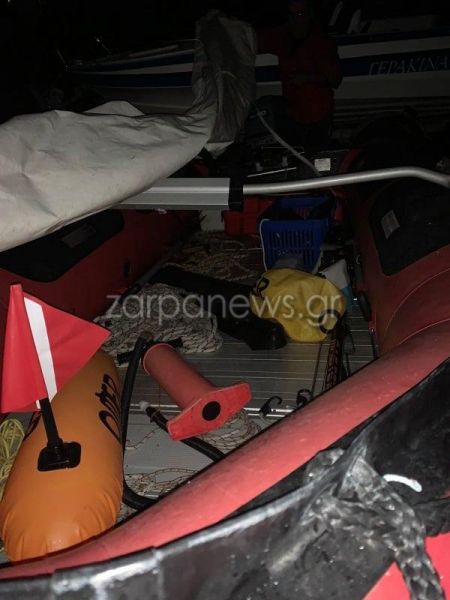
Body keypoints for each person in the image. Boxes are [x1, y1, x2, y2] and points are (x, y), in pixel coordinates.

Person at [256, 0, 342, 153]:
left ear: (310, 15)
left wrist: (306, 78)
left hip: (318, 115)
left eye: (300, 14)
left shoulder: (321, 42)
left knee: (317, 156)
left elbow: (335, 80)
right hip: (293, 114)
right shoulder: (283, 36)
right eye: (292, 15)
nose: (296, 19)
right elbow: (255, 38)